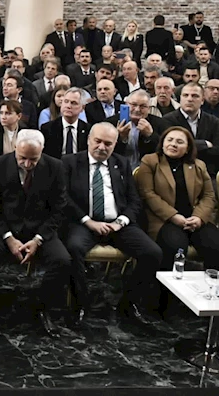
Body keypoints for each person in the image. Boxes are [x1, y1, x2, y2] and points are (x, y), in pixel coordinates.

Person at [62, 123, 163, 329]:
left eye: (108, 143)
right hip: (83, 222)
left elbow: (134, 200)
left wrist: (120, 222)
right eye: (97, 141)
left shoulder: (121, 163)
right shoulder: (69, 162)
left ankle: (129, 303)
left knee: (152, 253)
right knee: (72, 249)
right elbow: (63, 198)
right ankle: (80, 303)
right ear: (89, 140)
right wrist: (88, 222)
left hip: (118, 224)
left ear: (115, 144)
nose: (102, 147)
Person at [0, 129, 71, 337]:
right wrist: (8, 238)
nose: (27, 164)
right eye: (22, 158)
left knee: (62, 260)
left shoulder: (55, 167)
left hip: (40, 230)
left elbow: (58, 209)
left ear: (42, 152)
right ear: (14, 149)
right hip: (5, 228)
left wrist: (38, 239)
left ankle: (46, 309)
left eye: (33, 159)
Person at [137, 126, 219, 274]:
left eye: (180, 142)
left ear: (188, 148)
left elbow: (209, 195)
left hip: (195, 219)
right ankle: (168, 294)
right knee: (175, 247)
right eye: (170, 140)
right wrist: (174, 216)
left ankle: (210, 289)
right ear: (162, 143)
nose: (173, 144)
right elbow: (148, 194)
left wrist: (199, 218)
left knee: (215, 245)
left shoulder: (198, 165)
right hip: (164, 220)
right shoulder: (150, 161)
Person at [164, 83, 219, 179]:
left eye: (195, 96)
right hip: (177, 173)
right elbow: (171, 150)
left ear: (202, 100)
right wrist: (204, 144)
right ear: (180, 98)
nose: (189, 99)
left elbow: (217, 151)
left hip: (207, 173)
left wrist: (185, 147)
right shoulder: (167, 120)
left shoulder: (214, 121)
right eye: (186, 95)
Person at [41, 88, 90, 159]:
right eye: (66, 101)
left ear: (82, 107)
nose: (68, 106)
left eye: (74, 103)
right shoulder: (48, 128)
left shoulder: (88, 130)